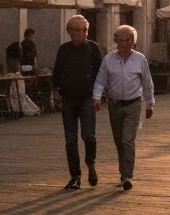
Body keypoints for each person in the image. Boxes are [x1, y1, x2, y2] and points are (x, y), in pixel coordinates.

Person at [92, 24, 155, 191]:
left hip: (134, 104)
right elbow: (100, 80)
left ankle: (127, 176)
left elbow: (147, 82)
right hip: (114, 105)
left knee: (127, 140)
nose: (124, 44)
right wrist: (97, 98)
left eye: (128, 40)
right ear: (116, 41)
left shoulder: (140, 59)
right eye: (121, 40)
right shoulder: (109, 59)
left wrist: (149, 103)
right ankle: (123, 173)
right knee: (119, 141)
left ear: (133, 42)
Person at [52, 14, 104, 190]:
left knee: (88, 135)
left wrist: (98, 96)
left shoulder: (93, 48)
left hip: (87, 98)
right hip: (68, 99)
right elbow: (57, 72)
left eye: (83, 30)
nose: (80, 33)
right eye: (75, 30)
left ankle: (90, 163)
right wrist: (56, 89)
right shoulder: (64, 49)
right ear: (69, 31)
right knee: (70, 140)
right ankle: (75, 176)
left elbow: (100, 75)